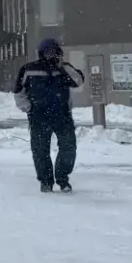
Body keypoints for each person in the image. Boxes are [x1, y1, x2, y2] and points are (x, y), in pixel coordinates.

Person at [13, 37, 85, 193]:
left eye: (54, 52)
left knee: (68, 148)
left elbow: (78, 81)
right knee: (40, 150)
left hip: (62, 115)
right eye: (47, 52)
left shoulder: (64, 70)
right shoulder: (29, 69)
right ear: (41, 53)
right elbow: (18, 92)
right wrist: (28, 108)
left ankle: (62, 179)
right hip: (38, 116)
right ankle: (46, 181)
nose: (50, 55)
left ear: (59, 53)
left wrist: (63, 66)